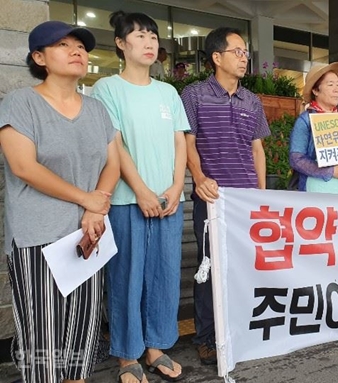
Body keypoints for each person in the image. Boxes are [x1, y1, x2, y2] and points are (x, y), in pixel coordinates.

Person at [0, 21, 120, 383]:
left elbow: (113, 163)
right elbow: (23, 166)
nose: (77, 51)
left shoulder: (97, 109)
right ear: (39, 57)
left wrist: (94, 209)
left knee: (81, 334)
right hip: (38, 237)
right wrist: (88, 199)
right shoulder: (21, 102)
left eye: (81, 46)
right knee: (44, 340)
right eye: (63, 45)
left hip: (88, 235)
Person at [92, 11, 190, 383]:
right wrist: (142, 190)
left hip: (169, 198)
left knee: (163, 274)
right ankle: (127, 353)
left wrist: (177, 186)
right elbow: (114, 145)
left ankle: (156, 347)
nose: (149, 43)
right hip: (126, 199)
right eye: (139, 36)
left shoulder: (168, 92)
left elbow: (180, 139)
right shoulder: (107, 88)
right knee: (126, 277)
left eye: (153, 36)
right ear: (120, 44)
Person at [181, 26, 270, 365]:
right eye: (237, 51)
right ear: (217, 57)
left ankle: (240, 330)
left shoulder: (252, 100)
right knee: (209, 269)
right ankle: (206, 338)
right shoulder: (195, 95)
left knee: (244, 268)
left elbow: (257, 149)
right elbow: (187, 143)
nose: (244, 57)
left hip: (247, 201)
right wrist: (199, 178)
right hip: (214, 200)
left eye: (246, 52)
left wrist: (262, 195)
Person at [289, 62, 338, 193]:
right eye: (330, 85)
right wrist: (330, 171)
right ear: (315, 90)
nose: (336, 89)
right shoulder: (305, 120)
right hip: (316, 195)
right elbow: (296, 159)